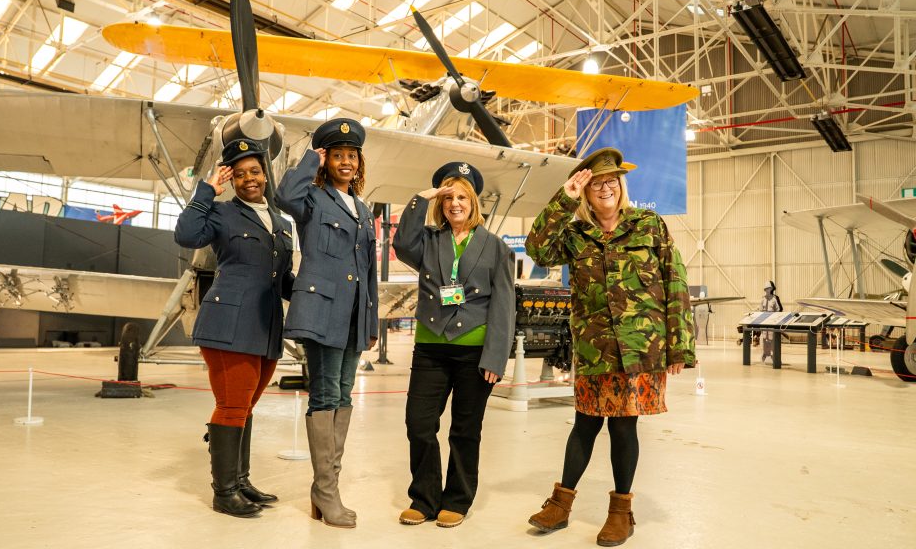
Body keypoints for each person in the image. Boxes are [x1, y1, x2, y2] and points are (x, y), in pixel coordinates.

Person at [524, 147, 695, 546]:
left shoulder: (648, 224)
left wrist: (680, 346)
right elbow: (537, 249)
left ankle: (621, 513)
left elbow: (675, 279)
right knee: (585, 423)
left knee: (623, 425)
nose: (605, 188)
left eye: (612, 181)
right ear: (586, 191)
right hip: (593, 347)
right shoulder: (574, 234)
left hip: (640, 347)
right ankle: (560, 505)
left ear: (622, 185)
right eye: (597, 183)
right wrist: (564, 199)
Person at [174, 137, 295, 518]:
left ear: (265, 175)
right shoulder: (222, 212)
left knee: (245, 405)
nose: (249, 179)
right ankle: (224, 492)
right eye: (240, 174)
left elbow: (282, 278)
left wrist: (317, 294)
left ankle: (240, 481)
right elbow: (186, 235)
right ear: (233, 180)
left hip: (266, 326)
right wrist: (206, 191)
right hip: (228, 323)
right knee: (232, 405)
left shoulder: (281, 223)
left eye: (255, 171)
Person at [391, 162, 515, 529]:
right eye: (448, 197)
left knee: (465, 429)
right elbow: (401, 244)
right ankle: (424, 498)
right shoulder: (429, 241)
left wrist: (495, 357)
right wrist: (422, 197)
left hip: (474, 352)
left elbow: (504, 305)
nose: (454, 203)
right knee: (419, 424)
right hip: (430, 348)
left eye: (462, 197)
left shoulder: (495, 247)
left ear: (474, 202)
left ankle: (457, 500)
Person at [274, 117, 378, 529]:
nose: (346, 161)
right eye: (337, 155)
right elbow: (284, 196)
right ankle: (326, 491)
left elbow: (369, 271)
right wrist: (308, 160)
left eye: (352, 155)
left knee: (344, 394)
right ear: (326, 160)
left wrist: (371, 321)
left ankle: (326, 489)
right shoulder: (313, 200)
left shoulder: (364, 210)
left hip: (353, 315)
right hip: (322, 311)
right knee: (326, 394)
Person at [760, 281, 783, 362]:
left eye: (768, 288)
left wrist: (775, 318)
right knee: (764, 338)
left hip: (772, 322)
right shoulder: (762, 299)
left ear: (771, 289)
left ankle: (774, 354)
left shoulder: (775, 298)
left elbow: (779, 309)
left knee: (771, 338)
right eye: (766, 289)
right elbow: (760, 310)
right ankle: (765, 353)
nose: (767, 290)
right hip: (764, 322)